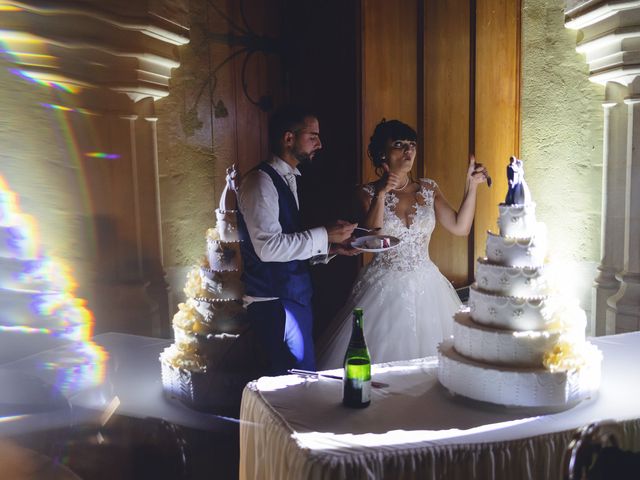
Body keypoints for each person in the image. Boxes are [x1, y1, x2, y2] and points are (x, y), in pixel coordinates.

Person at [317, 119, 489, 368]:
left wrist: (471, 186)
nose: (408, 151)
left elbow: (460, 228)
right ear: (382, 153)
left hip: (428, 284)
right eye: (399, 145)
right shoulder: (365, 193)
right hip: (384, 286)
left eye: (412, 145)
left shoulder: (428, 188)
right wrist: (382, 195)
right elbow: (372, 240)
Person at [236, 106, 357, 376]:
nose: (320, 143)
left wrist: (330, 248)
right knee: (294, 385)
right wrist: (324, 234)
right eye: (312, 136)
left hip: (293, 295)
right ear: (289, 138)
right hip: (274, 301)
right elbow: (268, 248)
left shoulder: (286, 178)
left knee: (301, 379)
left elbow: (288, 243)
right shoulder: (260, 182)